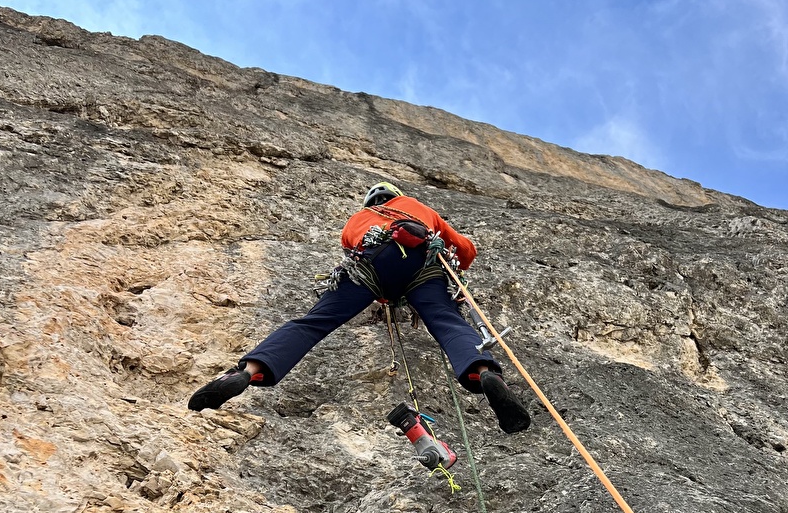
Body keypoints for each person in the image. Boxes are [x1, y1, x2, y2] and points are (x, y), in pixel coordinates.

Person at [187, 181, 531, 433]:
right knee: (447, 322)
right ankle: (483, 372)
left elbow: (352, 251)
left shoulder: (357, 219)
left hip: (370, 264)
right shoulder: (419, 208)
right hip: (424, 266)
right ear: (396, 196)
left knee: (313, 322)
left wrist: (381, 292)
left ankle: (246, 372)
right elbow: (466, 250)